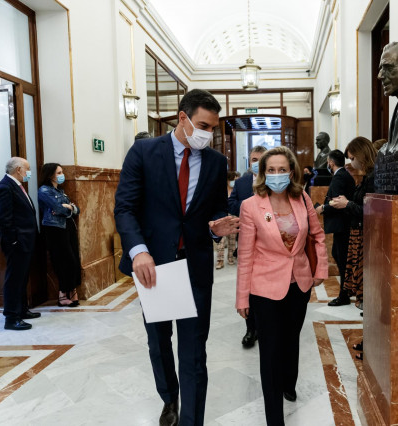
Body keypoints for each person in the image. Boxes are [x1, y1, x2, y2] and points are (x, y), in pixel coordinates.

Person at [114, 89, 239, 426]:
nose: (207, 134)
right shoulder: (144, 151)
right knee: (159, 342)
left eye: (213, 128)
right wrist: (138, 251)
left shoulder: (216, 162)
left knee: (195, 351)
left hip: (195, 265)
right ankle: (169, 398)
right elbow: (125, 208)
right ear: (182, 118)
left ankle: (190, 420)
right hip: (156, 266)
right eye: (202, 125)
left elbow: (214, 210)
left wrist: (217, 227)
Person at [236, 146, 327, 426]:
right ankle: (274, 418)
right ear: (262, 174)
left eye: (282, 169)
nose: (277, 175)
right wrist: (242, 297)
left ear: (291, 171)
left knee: (291, 340)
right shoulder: (251, 206)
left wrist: (320, 268)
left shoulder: (302, 200)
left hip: (299, 283)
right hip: (264, 288)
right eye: (271, 170)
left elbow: (317, 234)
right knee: (270, 351)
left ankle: (290, 381)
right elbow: (246, 253)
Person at [329, 137, 377, 360]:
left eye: (352, 157)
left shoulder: (374, 177)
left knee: (369, 292)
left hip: (367, 237)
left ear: (361, 154)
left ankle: (372, 343)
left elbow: (372, 209)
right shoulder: (367, 176)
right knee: (364, 290)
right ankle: (370, 340)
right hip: (359, 235)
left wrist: (346, 204)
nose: (351, 161)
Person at [0, 157, 41, 330]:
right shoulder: (5, 187)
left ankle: (22, 310)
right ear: (19, 169)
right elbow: (3, 219)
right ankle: (11, 317)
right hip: (16, 243)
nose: (29, 172)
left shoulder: (16, 186)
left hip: (25, 241)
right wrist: (13, 241)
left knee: (22, 278)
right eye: (27, 169)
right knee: (14, 279)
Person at [228, 145, 267, 348]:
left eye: (260, 158)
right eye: (253, 158)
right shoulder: (242, 182)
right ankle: (250, 329)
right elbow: (231, 202)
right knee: (248, 285)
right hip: (246, 238)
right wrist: (248, 208)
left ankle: (266, 325)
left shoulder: (273, 180)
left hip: (269, 243)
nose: (256, 162)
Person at [315, 149, 356, 306]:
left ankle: (344, 294)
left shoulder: (339, 176)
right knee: (339, 255)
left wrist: (323, 208)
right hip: (344, 223)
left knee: (342, 258)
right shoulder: (344, 175)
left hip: (342, 224)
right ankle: (346, 291)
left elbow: (338, 202)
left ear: (330, 162)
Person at [37, 163, 81, 307]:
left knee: (73, 259)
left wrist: (69, 207)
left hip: (67, 227)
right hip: (54, 229)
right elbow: (57, 208)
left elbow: (77, 210)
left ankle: (72, 291)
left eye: (62, 172)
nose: (62, 175)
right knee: (63, 261)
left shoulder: (61, 191)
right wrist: (68, 207)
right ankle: (63, 294)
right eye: (59, 173)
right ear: (50, 175)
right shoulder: (44, 190)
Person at [215, 170, 240, 269]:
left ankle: (230, 257)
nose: (235, 181)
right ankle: (220, 260)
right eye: (233, 179)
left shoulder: (236, 190)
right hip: (223, 216)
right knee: (221, 240)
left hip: (234, 216)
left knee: (232, 239)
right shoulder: (221, 190)